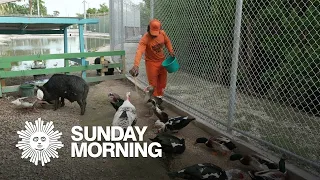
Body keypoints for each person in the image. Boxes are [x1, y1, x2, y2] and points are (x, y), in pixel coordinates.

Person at [129, 19, 175, 104]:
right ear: (148, 28)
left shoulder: (162, 34)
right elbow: (139, 51)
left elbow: (167, 41)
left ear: (160, 29)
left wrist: (170, 50)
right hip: (151, 63)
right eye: (152, 32)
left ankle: (159, 99)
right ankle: (154, 101)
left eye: (156, 32)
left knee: (162, 83)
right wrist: (136, 65)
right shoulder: (145, 38)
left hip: (162, 62)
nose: (154, 35)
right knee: (153, 85)